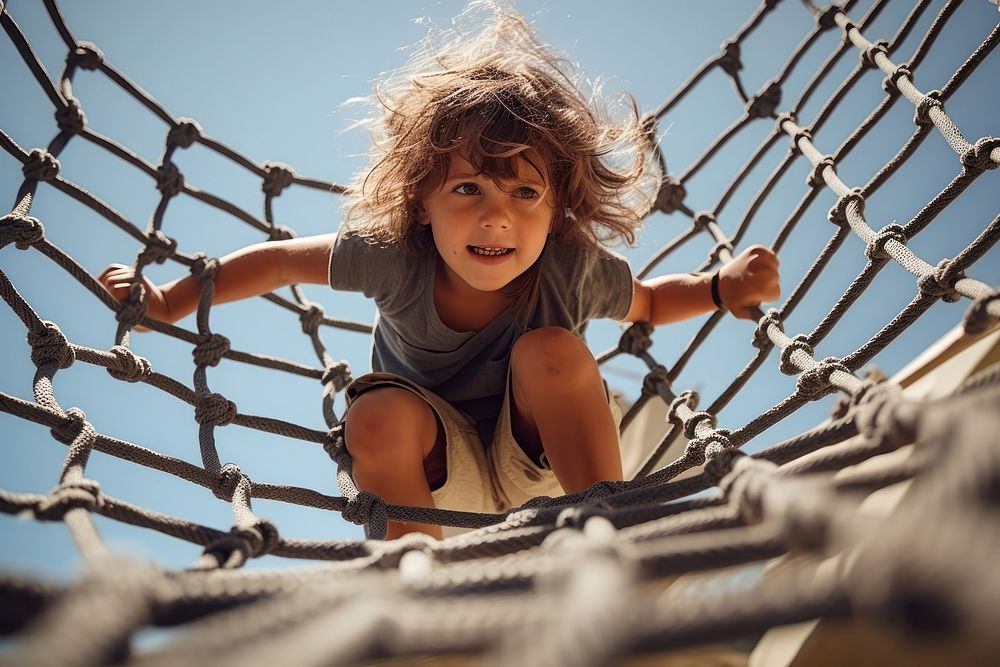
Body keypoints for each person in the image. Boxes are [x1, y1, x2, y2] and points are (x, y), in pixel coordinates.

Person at [99, 3, 780, 541]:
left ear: (557, 215)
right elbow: (279, 261)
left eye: (524, 194)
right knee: (370, 414)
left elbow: (654, 303)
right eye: (467, 190)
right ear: (420, 203)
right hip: (435, 481)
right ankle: (425, 583)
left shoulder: (570, 267)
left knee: (553, 351)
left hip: (545, 469)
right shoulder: (396, 258)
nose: (497, 219)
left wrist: (725, 288)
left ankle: (613, 533)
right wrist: (169, 300)